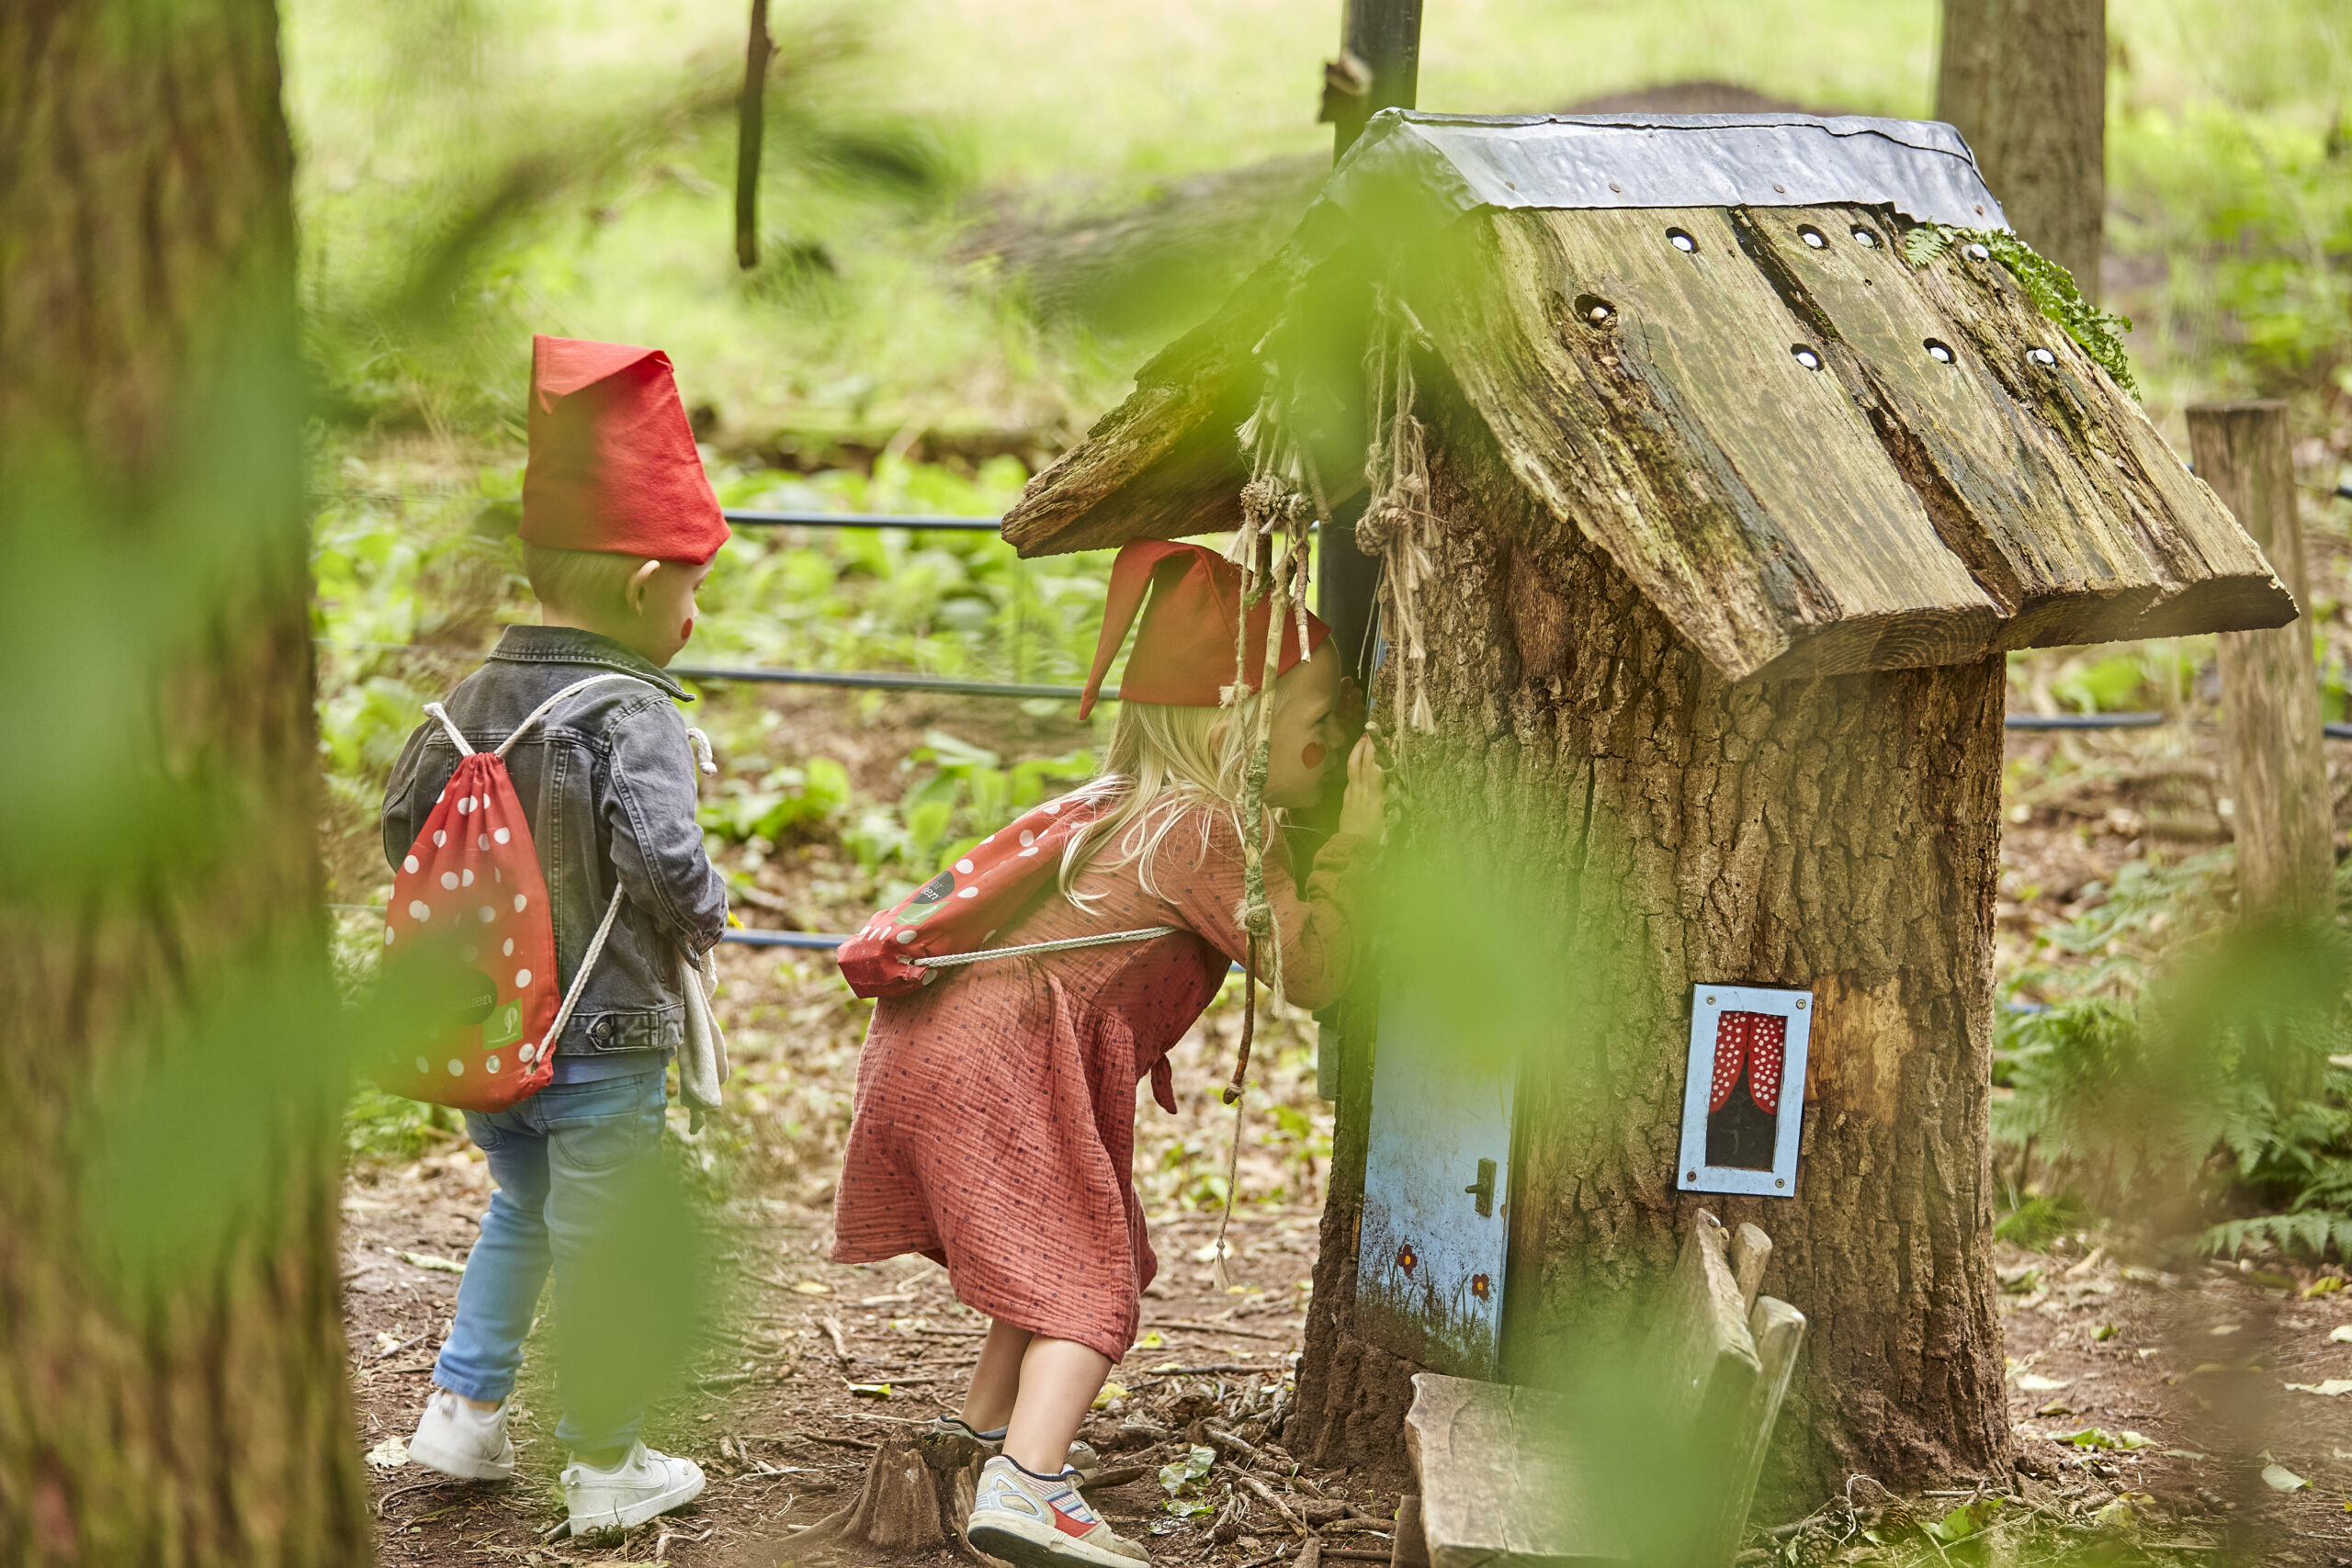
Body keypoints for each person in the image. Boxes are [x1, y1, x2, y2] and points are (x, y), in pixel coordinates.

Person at [831, 539, 1385, 1568]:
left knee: (1075, 1253)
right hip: (1002, 1065)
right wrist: (1356, 838)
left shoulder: (1118, 803)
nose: (1340, 739)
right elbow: (1311, 970)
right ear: (1239, 729)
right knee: (1089, 1284)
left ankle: (984, 1440)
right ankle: (1032, 1487)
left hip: (938, 1049)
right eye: (1322, 723)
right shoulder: (1203, 830)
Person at [380, 336, 729, 1536]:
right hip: (605, 1040)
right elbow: (662, 853)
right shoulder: (633, 710)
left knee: (517, 1210)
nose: (693, 615)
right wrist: (707, 913)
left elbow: (398, 825)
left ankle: (463, 1415)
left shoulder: (466, 694)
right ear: (642, 585)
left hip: (495, 1039)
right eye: (692, 588)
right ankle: (604, 1463)